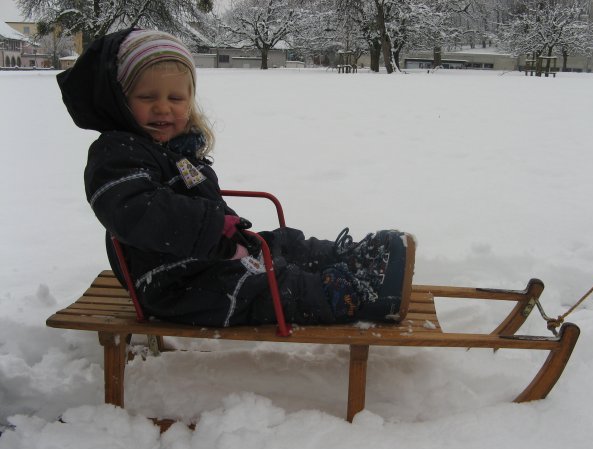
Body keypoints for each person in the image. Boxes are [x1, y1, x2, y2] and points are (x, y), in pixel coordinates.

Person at [57, 29, 415, 327]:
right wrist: (213, 226)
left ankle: (347, 257)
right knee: (259, 286)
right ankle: (349, 296)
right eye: (147, 97)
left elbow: (199, 202)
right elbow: (133, 209)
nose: (163, 108)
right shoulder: (117, 153)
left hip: (200, 260)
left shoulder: (177, 152)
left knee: (278, 243)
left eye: (176, 97)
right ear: (120, 101)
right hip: (173, 284)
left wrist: (231, 233)